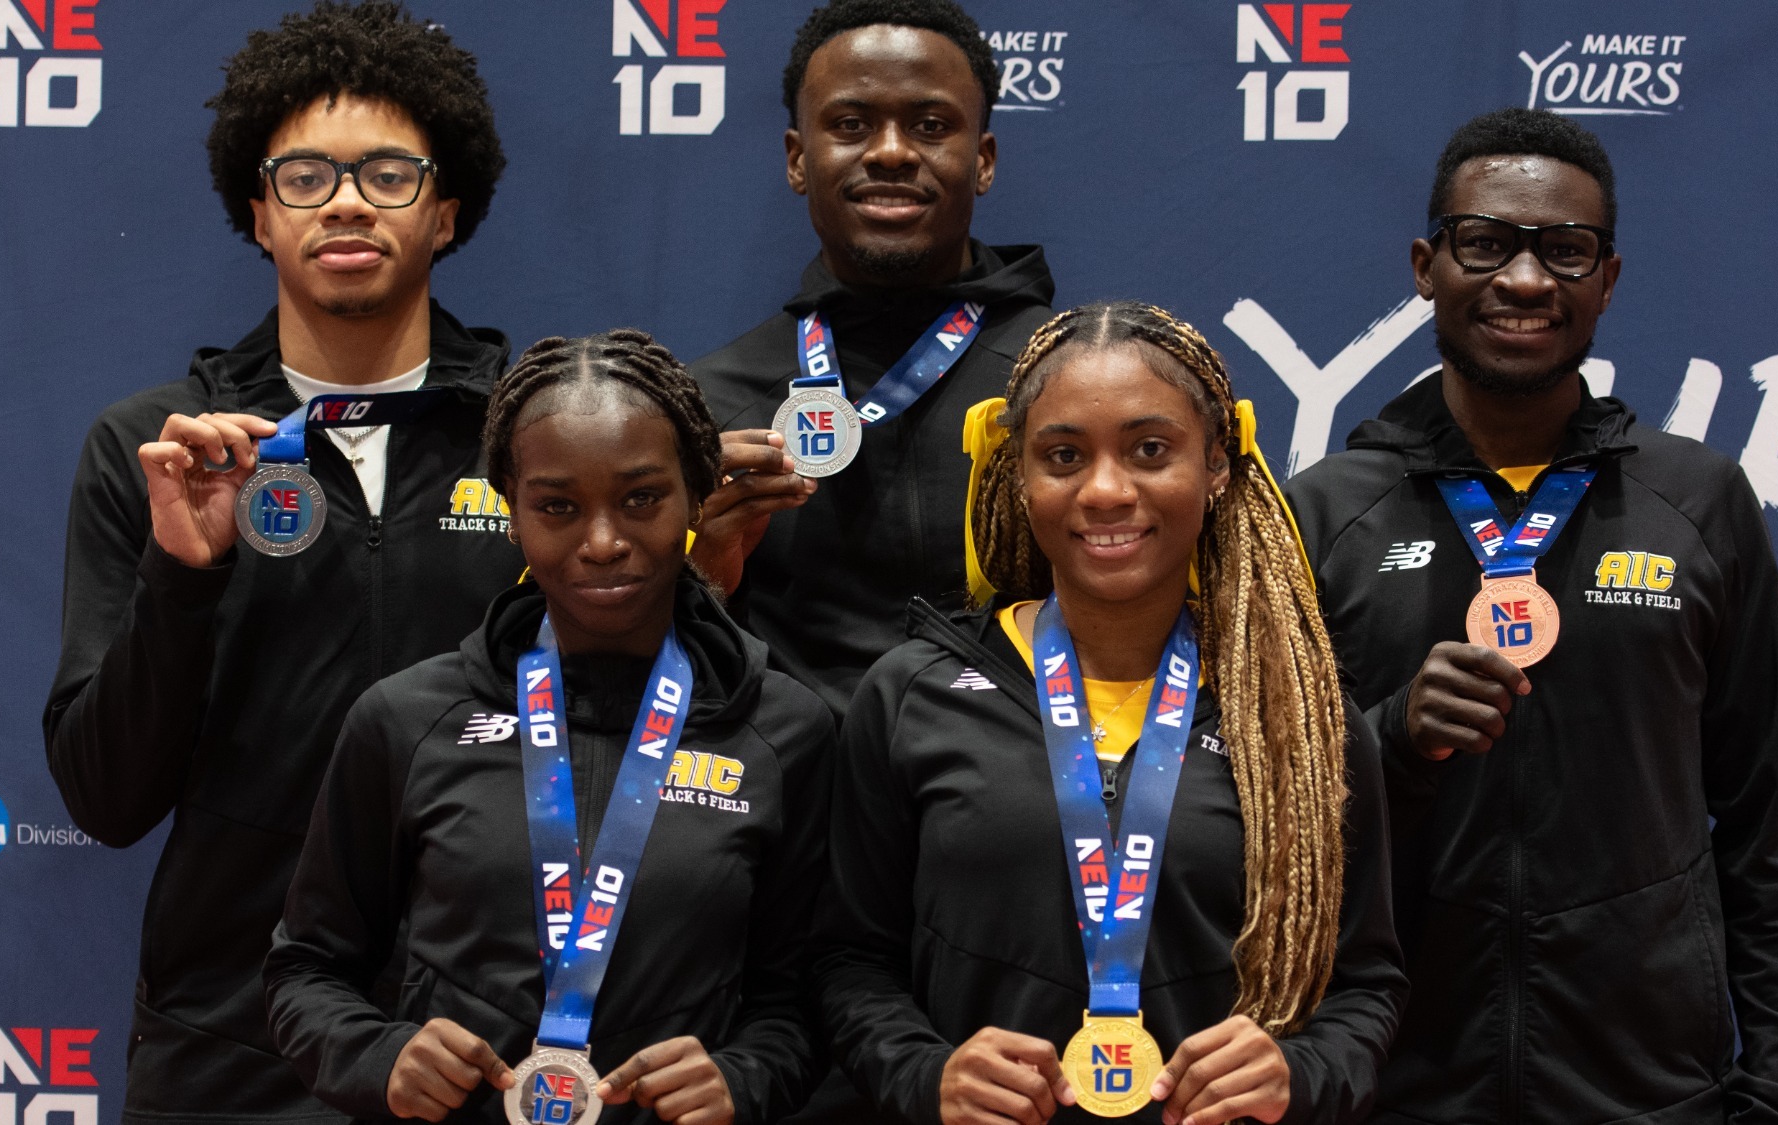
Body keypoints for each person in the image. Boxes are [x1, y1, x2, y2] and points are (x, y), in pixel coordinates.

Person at [1281, 108, 1778, 1124]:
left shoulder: (1698, 501)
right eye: (1484, 243)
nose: (1525, 281)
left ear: (1606, 281)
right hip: (1392, 1088)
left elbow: (1774, 828)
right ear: (1425, 264)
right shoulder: (1321, 512)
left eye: (1564, 251)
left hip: (1649, 1093)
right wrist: (1389, 740)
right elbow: (1256, 821)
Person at [41, 4, 518, 1120]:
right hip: (229, 1037)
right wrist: (183, 572)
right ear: (258, 213)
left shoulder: (534, 436)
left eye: (388, 174)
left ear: (445, 212)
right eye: (304, 175)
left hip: (484, 1034)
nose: (346, 199)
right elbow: (105, 796)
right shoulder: (157, 447)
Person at [816, 302, 1405, 1125]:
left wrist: (1298, 1074)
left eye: (1151, 450)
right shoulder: (912, 693)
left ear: (1219, 467)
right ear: (1017, 475)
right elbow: (851, 962)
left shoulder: (1300, 719)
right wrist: (926, 1072)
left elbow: (1365, 986)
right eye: (1062, 455)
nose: (1104, 489)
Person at [265, 331, 834, 1125]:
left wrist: (744, 1076)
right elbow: (305, 969)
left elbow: (803, 999)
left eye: (641, 498)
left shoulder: (785, 731)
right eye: (558, 506)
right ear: (509, 506)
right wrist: (380, 1056)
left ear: (697, 495)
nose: (603, 542)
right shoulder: (407, 719)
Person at [689, 0, 1056, 715]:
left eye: (930, 125)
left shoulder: (1069, 389)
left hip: (1020, 804)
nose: (891, 151)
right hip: (792, 811)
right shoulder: (708, 408)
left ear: (982, 161)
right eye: (852, 125)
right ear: (799, 159)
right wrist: (701, 575)